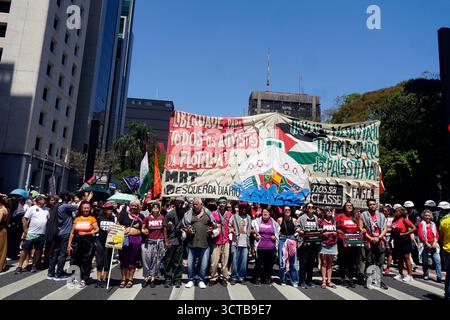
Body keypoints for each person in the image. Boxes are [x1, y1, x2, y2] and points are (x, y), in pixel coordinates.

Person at [182, 198, 217, 289]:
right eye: (193, 204)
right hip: (191, 243)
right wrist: (187, 231)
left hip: (205, 244)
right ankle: (191, 280)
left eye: (197, 204)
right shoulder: (188, 214)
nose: (195, 206)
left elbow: (215, 226)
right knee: (190, 264)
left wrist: (211, 230)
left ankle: (201, 280)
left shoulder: (208, 213)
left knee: (204, 264)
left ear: (201, 204)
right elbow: (183, 226)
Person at [47, 193, 79, 281]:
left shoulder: (57, 206)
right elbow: (79, 206)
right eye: (70, 196)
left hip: (57, 232)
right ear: (65, 197)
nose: (72, 198)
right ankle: (59, 274)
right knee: (63, 254)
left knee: (55, 253)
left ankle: (51, 273)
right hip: (65, 233)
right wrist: (87, 199)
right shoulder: (65, 206)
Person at [67, 201, 99, 288]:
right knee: (75, 259)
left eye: (88, 208)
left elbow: (96, 230)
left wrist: (87, 233)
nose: (86, 209)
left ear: (90, 209)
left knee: (86, 260)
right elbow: (72, 233)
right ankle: (76, 277)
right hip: (77, 241)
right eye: (84, 208)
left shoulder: (92, 219)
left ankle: (84, 279)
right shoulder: (77, 219)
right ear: (81, 209)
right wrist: (69, 244)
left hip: (88, 242)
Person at [15, 194, 49, 274]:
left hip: (41, 234)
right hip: (31, 233)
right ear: (39, 200)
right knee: (25, 250)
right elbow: (25, 220)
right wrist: (25, 231)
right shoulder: (31, 208)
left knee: (38, 250)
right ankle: (19, 266)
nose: (45, 200)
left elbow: (48, 220)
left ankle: (34, 265)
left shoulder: (47, 210)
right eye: (44, 199)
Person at [359, 199, 388, 289]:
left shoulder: (381, 215)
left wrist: (379, 237)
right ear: (368, 206)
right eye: (370, 204)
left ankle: (378, 280)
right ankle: (367, 280)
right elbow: (361, 228)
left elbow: (385, 228)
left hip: (380, 241)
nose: (372, 206)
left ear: (376, 205)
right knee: (369, 261)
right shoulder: (363, 215)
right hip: (369, 240)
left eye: (373, 204)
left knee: (380, 262)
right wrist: (371, 238)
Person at [118, 200, 144, 288]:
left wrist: (140, 229)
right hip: (124, 239)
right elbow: (117, 225)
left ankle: (130, 279)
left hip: (136, 240)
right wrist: (124, 227)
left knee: (132, 260)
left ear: (139, 207)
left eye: (136, 206)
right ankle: (123, 279)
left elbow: (143, 229)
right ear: (129, 206)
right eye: (132, 205)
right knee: (124, 259)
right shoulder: (123, 214)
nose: (134, 207)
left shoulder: (141, 216)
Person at [252, 208, 280, 286]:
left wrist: (275, 236)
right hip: (260, 246)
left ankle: (267, 278)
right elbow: (252, 230)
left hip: (271, 246)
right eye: (263, 212)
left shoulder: (273, 222)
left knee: (269, 264)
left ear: (269, 214)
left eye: (267, 212)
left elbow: (278, 231)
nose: (265, 213)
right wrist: (255, 235)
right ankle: (256, 278)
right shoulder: (257, 221)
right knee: (258, 263)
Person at [163, 197, 187, 288]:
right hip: (170, 240)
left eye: (181, 202)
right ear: (175, 202)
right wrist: (165, 241)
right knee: (168, 260)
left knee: (178, 261)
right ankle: (168, 279)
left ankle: (177, 279)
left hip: (179, 241)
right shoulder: (169, 214)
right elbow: (164, 227)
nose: (179, 204)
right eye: (178, 202)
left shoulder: (183, 213)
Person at [336, 201, 361, 288]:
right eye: (347, 205)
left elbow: (360, 228)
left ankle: (350, 278)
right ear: (344, 207)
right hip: (343, 241)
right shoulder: (340, 216)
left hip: (354, 241)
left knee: (352, 261)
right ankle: (342, 278)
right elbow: (336, 227)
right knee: (343, 260)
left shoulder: (356, 217)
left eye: (350, 205)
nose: (349, 207)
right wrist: (338, 230)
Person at [297, 203, 321, 289]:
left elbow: (318, 229)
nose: (311, 208)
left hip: (313, 244)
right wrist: (301, 231)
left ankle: (309, 281)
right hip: (304, 244)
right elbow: (296, 228)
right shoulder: (302, 217)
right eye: (309, 207)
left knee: (311, 264)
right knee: (303, 264)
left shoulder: (315, 217)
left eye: (312, 207)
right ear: (306, 209)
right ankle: (302, 281)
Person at [209, 197, 233, 287]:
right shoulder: (213, 213)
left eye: (224, 203)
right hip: (216, 241)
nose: (222, 204)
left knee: (225, 261)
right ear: (218, 204)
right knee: (214, 261)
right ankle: (213, 277)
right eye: (220, 203)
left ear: (226, 204)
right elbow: (209, 224)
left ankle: (224, 278)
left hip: (226, 240)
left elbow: (232, 225)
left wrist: (232, 229)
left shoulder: (230, 214)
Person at [141, 202, 165, 288]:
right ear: (151, 209)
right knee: (146, 260)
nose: (155, 208)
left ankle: (153, 279)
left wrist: (165, 242)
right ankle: (145, 278)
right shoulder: (147, 218)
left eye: (157, 207)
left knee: (156, 261)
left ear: (159, 208)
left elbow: (164, 229)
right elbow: (142, 228)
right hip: (148, 242)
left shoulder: (162, 217)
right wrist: (144, 231)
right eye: (153, 207)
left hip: (158, 242)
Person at [391, 205, 417, 282]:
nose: (394, 213)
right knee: (400, 258)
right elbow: (393, 230)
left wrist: (406, 233)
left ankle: (410, 275)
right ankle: (400, 274)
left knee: (406, 257)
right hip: (397, 240)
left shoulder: (404, 220)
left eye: (396, 211)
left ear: (400, 212)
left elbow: (414, 228)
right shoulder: (394, 220)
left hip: (405, 240)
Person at [228, 202, 252, 285]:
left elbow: (250, 229)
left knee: (244, 261)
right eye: (242, 207)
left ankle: (241, 277)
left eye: (245, 207)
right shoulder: (234, 216)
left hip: (245, 242)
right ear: (239, 208)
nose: (244, 209)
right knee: (234, 261)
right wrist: (231, 229)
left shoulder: (249, 217)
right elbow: (229, 225)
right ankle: (234, 277)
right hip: (236, 242)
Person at [95, 202, 116, 288]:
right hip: (100, 240)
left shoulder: (114, 218)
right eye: (108, 209)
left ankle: (105, 278)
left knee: (107, 260)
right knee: (99, 259)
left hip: (110, 241)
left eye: (111, 208)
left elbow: (118, 229)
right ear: (104, 210)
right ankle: (98, 279)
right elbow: (96, 228)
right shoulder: (99, 218)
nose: (109, 210)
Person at [277, 206, 299, 287]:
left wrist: (295, 234)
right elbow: (276, 230)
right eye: (286, 210)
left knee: (293, 262)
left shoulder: (294, 220)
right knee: (282, 261)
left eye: (289, 210)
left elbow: (298, 229)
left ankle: (294, 281)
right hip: (282, 240)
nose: (287, 211)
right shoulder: (280, 219)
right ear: (283, 211)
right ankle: (283, 280)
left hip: (291, 240)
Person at [418, 209, 442, 282]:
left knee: (437, 261)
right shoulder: (421, 224)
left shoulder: (433, 224)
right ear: (423, 216)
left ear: (431, 216)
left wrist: (435, 242)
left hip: (433, 244)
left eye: (428, 215)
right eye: (426, 215)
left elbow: (437, 234)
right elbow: (420, 234)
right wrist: (426, 243)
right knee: (425, 262)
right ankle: (425, 275)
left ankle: (439, 277)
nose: (427, 217)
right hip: (425, 245)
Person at [318, 207, 338, 289]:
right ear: (325, 212)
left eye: (330, 210)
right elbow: (318, 232)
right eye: (327, 210)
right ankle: (323, 281)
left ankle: (329, 281)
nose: (329, 212)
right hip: (324, 244)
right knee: (324, 262)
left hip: (333, 244)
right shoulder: (321, 222)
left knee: (330, 263)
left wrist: (335, 233)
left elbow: (338, 231)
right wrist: (323, 234)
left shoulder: (334, 221)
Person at [43, 195, 59, 269]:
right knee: (47, 247)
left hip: (54, 230)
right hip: (47, 230)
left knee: (52, 247)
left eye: (54, 200)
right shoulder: (46, 209)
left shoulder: (56, 208)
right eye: (52, 200)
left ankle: (50, 262)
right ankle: (46, 261)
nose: (53, 201)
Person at [438, 202, 450, 300]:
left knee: (449, 273)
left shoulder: (442, 221)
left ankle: (447, 294)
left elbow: (441, 238)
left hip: (446, 249)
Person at [0, 194, 10, 272]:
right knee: (2, 250)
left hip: (1, 230)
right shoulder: (6, 208)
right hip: (3, 230)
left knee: (1, 250)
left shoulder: (2, 209)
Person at [383, 204, 395, 274]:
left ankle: (388, 267)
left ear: (389, 211)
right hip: (382, 236)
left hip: (389, 237)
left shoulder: (392, 219)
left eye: (385, 211)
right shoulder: (381, 218)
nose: (384, 212)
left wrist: (385, 230)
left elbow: (393, 228)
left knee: (389, 252)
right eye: (383, 211)